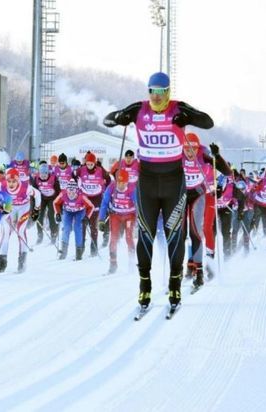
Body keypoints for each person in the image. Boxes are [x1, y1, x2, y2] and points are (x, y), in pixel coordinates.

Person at [104, 71, 214, 312]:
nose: (156, 97)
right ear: (149, 92)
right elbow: (108, 119)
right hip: (147, 183)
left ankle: (175, 283)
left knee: (175, 233)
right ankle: (145, 284)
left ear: (168, 92)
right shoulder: (139, 109)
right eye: (152, 91)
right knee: (146, 233)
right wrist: (120, 117)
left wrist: (187, 117)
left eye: (161, 92)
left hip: (174, 182)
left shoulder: (177, 108)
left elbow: (207, 121)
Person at [181, 132, 230, 288]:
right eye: (187, 149)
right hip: (183, 194)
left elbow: (226, 172)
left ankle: (203, 266)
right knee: (181, 233)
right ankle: (187, 265)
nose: (190, 153)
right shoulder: (178, 154)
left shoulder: (205, 156)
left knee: (201, 230)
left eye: (193, 149)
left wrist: (218, 156)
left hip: (203, 195)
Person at [0, 168, 41, 273]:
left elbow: (38, 194)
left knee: (20, 231)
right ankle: (2, 263)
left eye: (14, 181)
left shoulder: (25, 187)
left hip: (23, 207)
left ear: (18, 180)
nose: (11, 184)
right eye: (9, 181)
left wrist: (36, 209)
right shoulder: (1, 186)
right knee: (6, 231)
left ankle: (22, 262)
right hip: (10, 207)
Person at [98, 169, 137, 274]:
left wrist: (140, 220)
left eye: (123, 183)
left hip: (129, 216)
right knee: (114, 238)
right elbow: (104, 203)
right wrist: (101, 219)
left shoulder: (132, 189)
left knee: (129, 237)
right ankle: (113, 264)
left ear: (127, 181)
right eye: (119, 182)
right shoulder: (111, 187)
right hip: (116, 215)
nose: (120, 185)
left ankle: (131, 262)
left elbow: (138, 206)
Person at [75, 151, 111, 257]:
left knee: (93, 225)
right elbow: (72, 176)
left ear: (95, 163)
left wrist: (105, 186)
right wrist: (77, 185)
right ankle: (81, 247)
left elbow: (108, 179)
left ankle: (94, 247)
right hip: (84, 199)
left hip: (96, 199)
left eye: (91, 164)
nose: (89, 166)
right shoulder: (81, 169)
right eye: (88, 164)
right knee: (82, 224)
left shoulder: (100, 170)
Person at [53, 179, 95, 260]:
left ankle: (78, 253)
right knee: (66, 228)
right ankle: (63, 253)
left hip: (79, 211)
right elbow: (55, 203)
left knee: (77, 228)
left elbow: (91, 207)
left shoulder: (82, 196)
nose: (71, 195)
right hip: (67, 211)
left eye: (73, 193)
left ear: (76, 191)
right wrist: (57, 213)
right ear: (67, 191)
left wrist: (87, 217)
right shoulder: (63, 194)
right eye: (69, 192)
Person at [32, 163, 60, 244]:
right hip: (42, 198)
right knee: (39, 215)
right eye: (42, 174)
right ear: (39, 173)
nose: (43, 176)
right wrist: (35, 206)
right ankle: (40, 235)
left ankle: (53, 234)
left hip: (52, 198)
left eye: (45, 174)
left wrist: (58, 203)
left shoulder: (53, 178)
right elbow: (34, 193)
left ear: (48, 173)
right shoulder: (36, 179)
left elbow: (58, 191)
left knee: (51, 215)